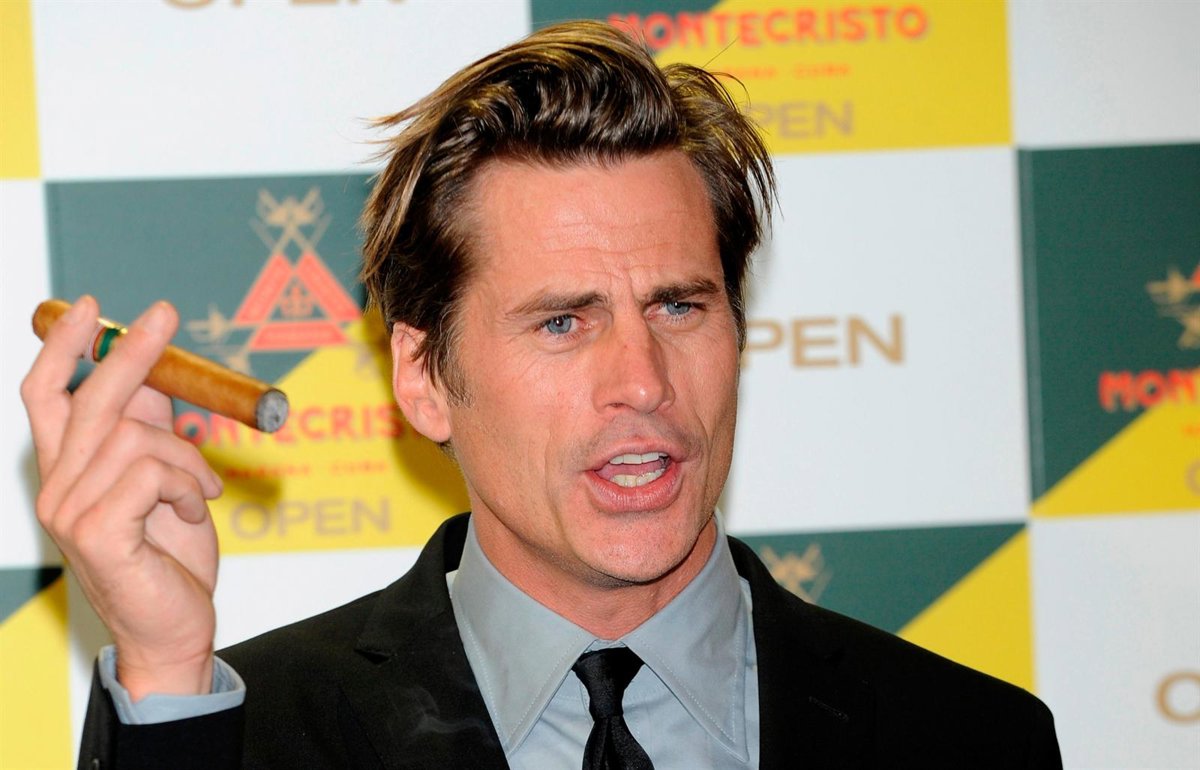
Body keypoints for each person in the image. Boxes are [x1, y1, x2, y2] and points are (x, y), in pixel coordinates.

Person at [22, 20, 1061, 770]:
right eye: (563, 321)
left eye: (679, 306)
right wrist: (165, 671)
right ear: (425, 378)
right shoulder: (247, 734)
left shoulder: (970, 737)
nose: (643, 381)